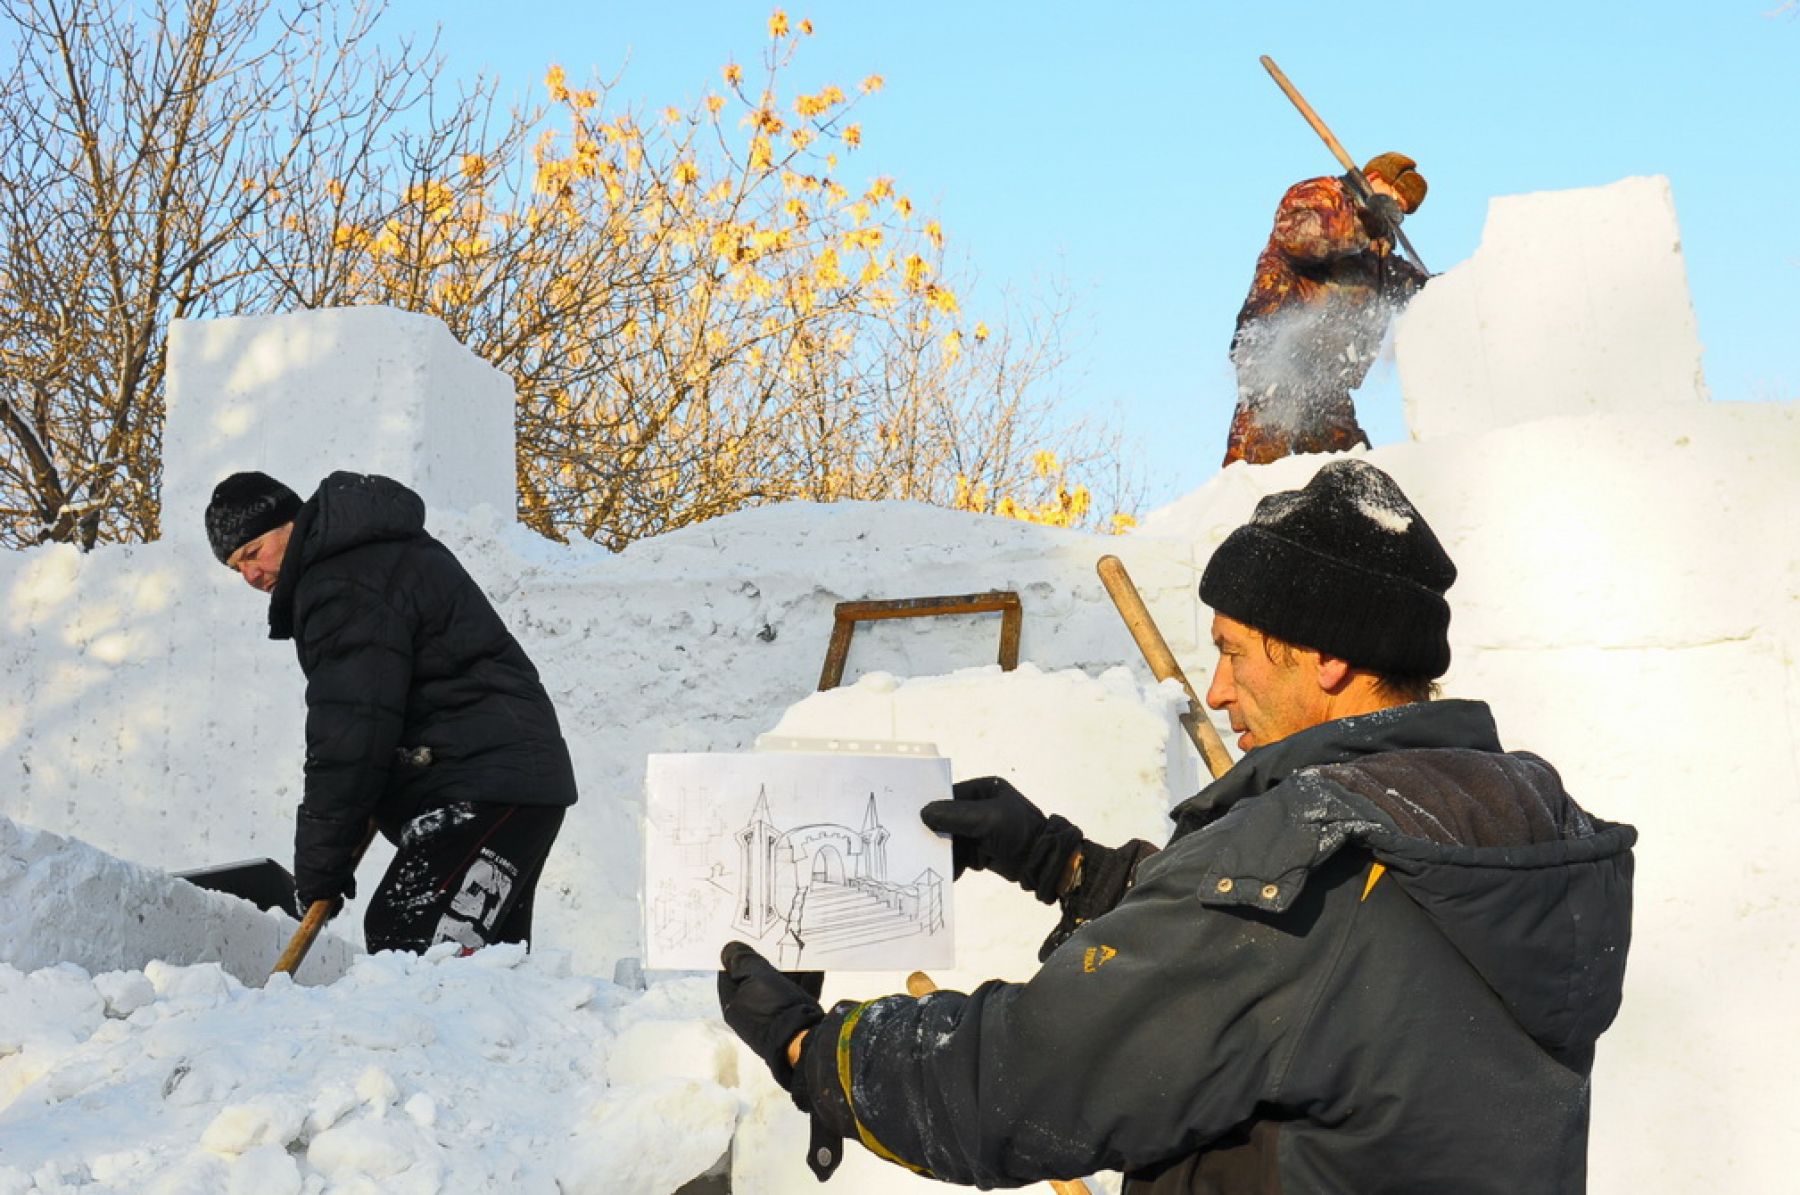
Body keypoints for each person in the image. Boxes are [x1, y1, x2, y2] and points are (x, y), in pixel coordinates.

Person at [717, 459, 1637, 1192]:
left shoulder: (1311, 858)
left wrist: (813, 1047)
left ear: (1325, 656)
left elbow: (1023, 1080)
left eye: (1235, 652)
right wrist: (1067, 867)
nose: (1219, 690)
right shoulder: (1509, 825)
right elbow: (1327, 980)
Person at [205, 469, 579, 954]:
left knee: (408, 934)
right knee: (485, 978)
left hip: (485, 779)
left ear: (291, 523)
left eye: (253, 553)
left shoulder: (342, 579)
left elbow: (350, 733)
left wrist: (320, 868)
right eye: (237, 568)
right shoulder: (363, 558)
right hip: (500, 777)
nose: (251, 576)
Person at [1223, 152, 1431, 467]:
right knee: (1261, 451)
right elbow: (1301, 237)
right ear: (1374, 180)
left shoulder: (1378, 242)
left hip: (1327, 372)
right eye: (1395, 200)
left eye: (1402, 211)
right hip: (1280, 350)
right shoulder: (1323, 195)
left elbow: (1393, 278)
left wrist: (1437, 290)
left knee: (1348, 465)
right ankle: (1238, 509)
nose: (1396, 214)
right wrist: (1364, 224)